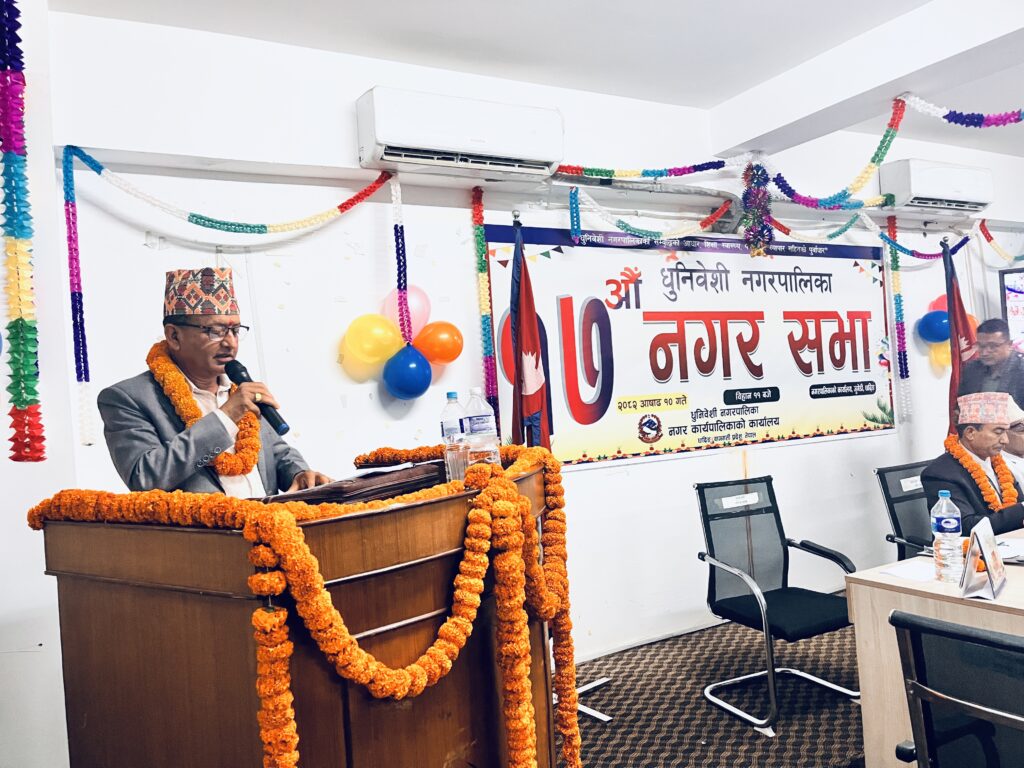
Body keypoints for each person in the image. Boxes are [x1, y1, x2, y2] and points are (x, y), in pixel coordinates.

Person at [98, 267, 331, 496]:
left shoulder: (239, 386)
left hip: (267, 518)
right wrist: (226, 417)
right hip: (203, 523)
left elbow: (275, 452)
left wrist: (298, 473)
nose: (231, 343)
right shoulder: (128, 398)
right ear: (174, 336)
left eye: (235, 330)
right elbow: (146, 478)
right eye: (215, 331)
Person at [922, 392, 1024, 535]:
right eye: (998, 432)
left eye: (1006, 432)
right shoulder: (940, 474)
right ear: (970, 433)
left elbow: (1017, 506)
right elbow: (965, 527)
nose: (1005, 440)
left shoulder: (999, 463)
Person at [958, 318, 1024, 407]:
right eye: (981, 346)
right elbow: (961, 403)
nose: (985, 352)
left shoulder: (1021, 370)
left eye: (993, 346)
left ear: (1009, 344)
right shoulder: (971, 369)